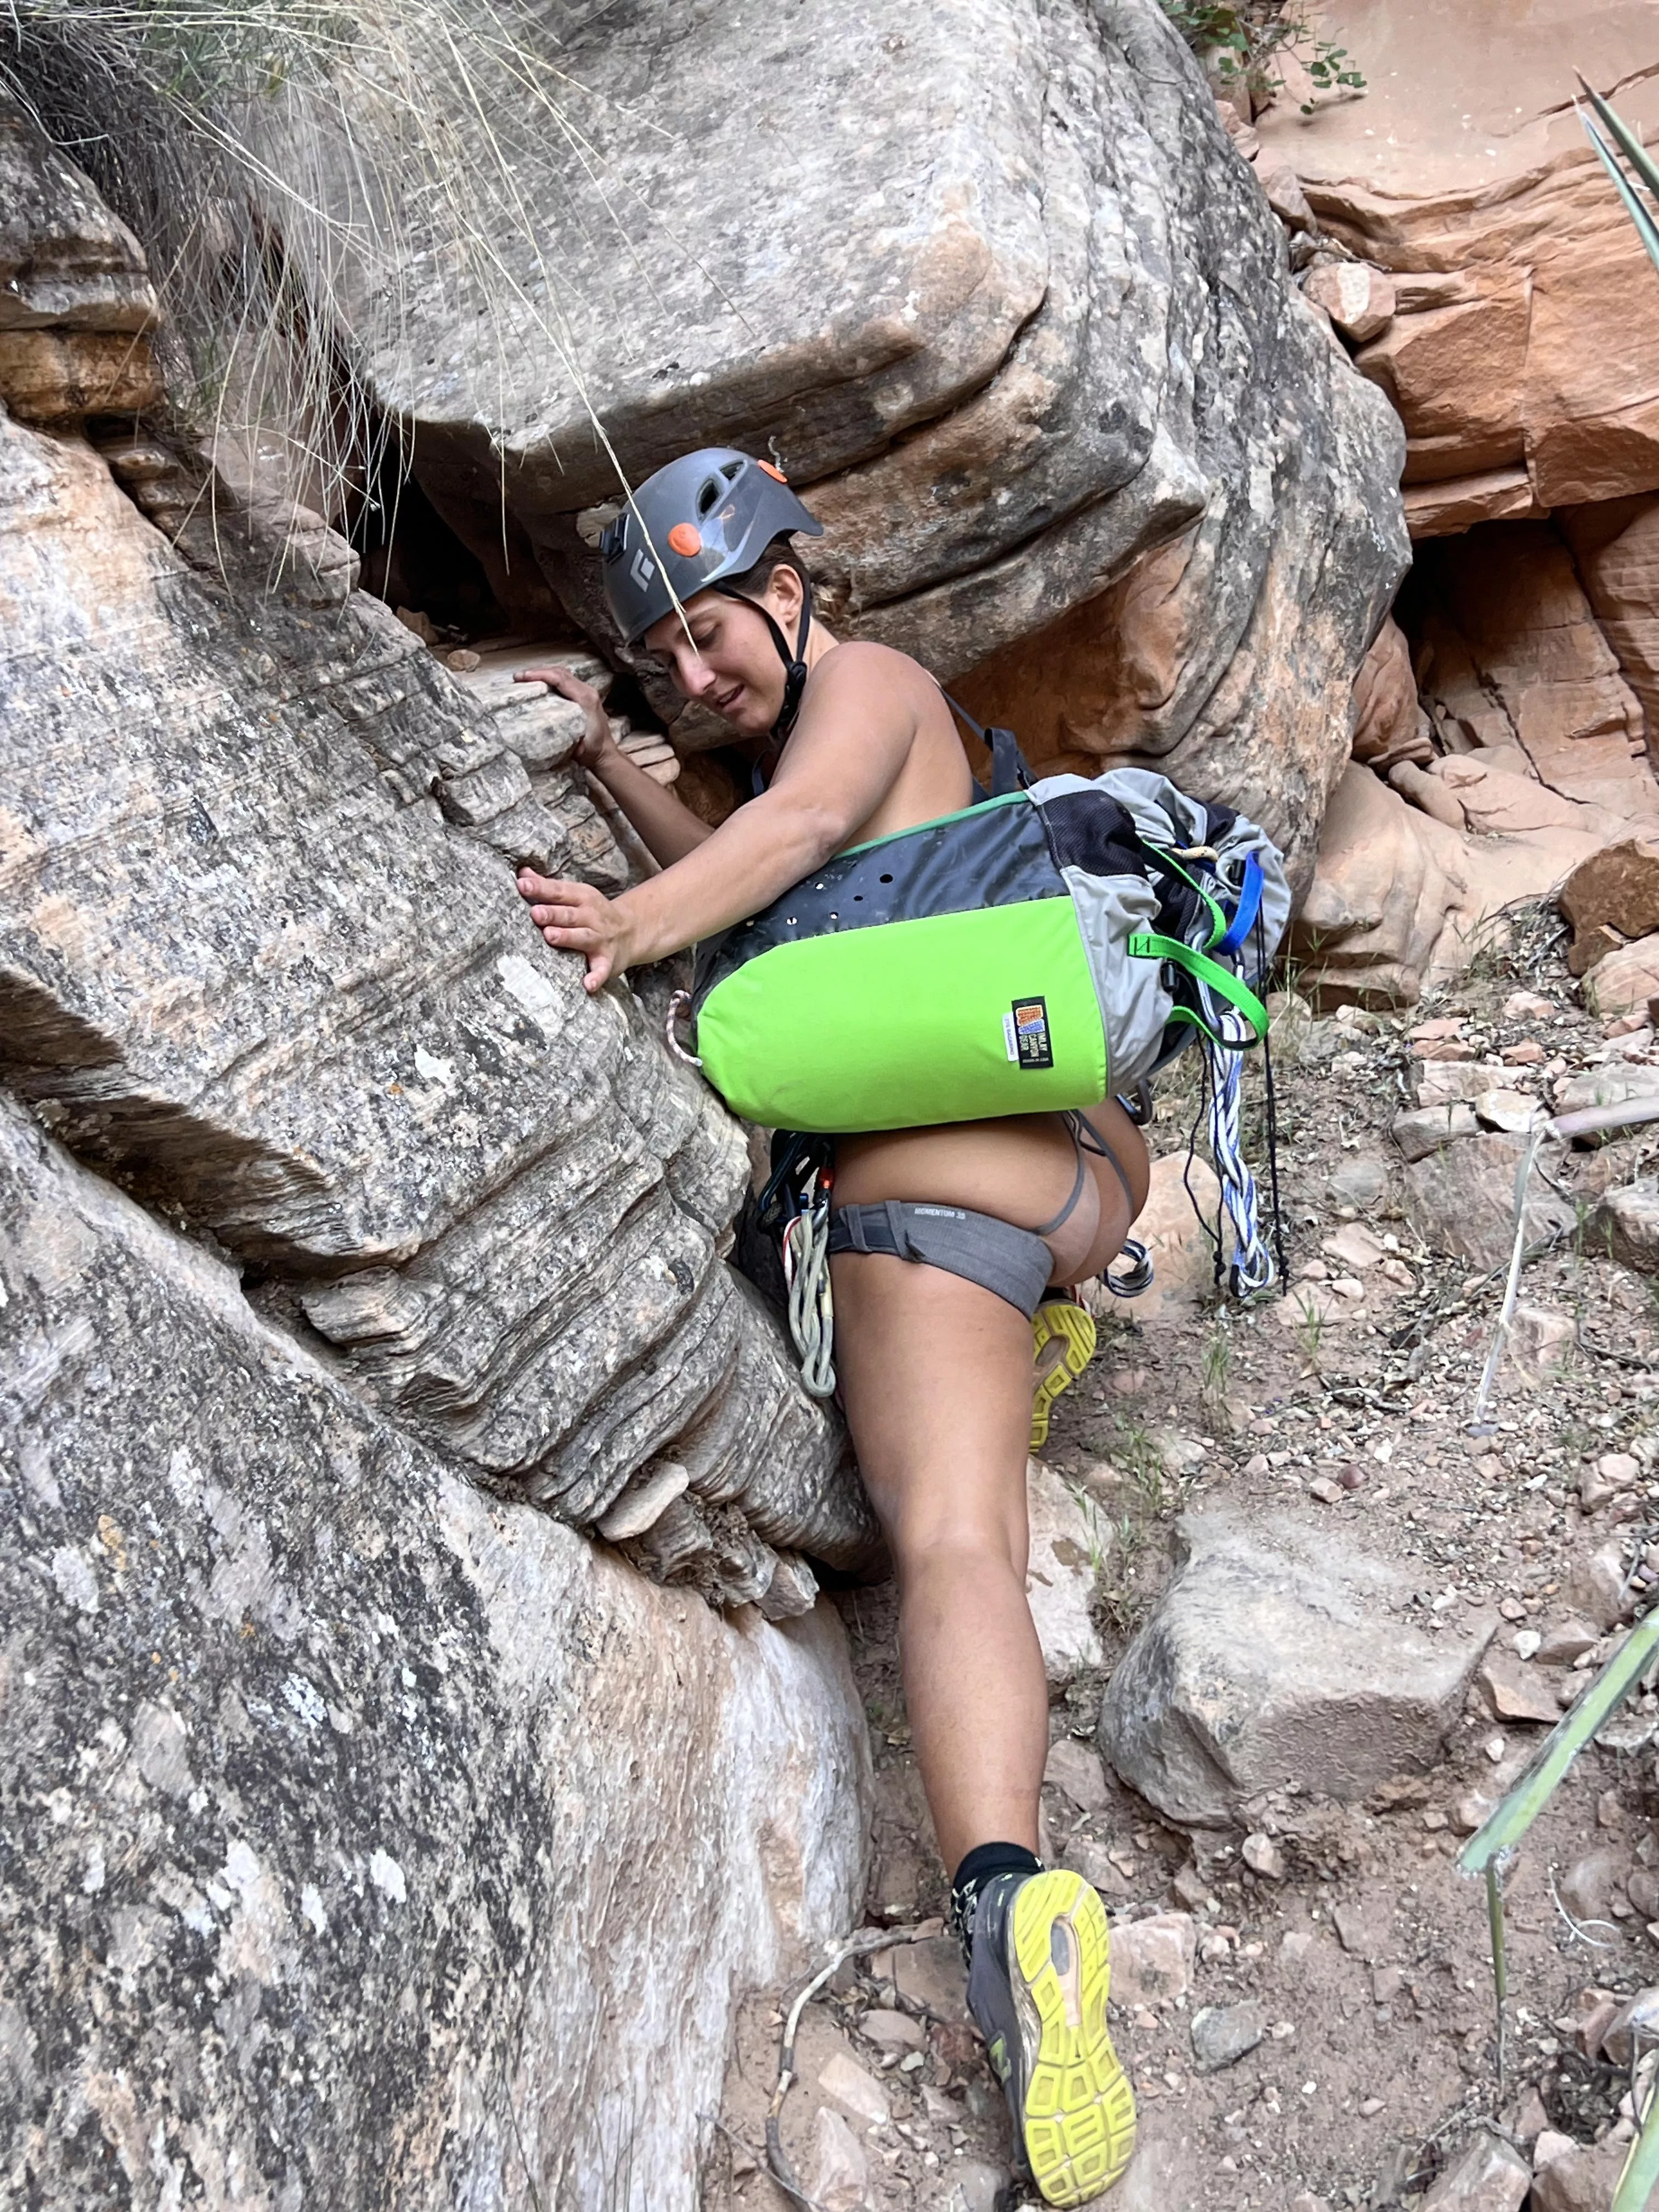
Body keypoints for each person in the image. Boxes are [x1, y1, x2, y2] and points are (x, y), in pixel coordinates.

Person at [515, 450, 1144, 2206]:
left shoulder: (870, 681)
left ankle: (1011, 1902)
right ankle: (1041, 1329)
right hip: (1074, 1183)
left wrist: (625, 928)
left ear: (793, 586)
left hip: (932, 1192)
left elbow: (778, 846)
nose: (692, 678)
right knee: (972, 1464)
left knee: (951, 1542)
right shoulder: (836, 741)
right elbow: (772, 853)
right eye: (663, 664)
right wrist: (614, 771)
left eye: (708, 635)